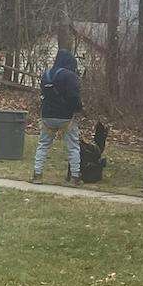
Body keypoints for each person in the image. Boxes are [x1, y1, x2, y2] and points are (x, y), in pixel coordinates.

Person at [32, 49, 83, 186]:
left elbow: (44, 94)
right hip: (66, 117)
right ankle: (75, 177)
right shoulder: (70, 76)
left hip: (47, 116)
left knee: (43, 145)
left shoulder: (46, 74)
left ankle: (37, 175)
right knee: (73, 146)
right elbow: (74, 97)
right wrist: (78, 109)